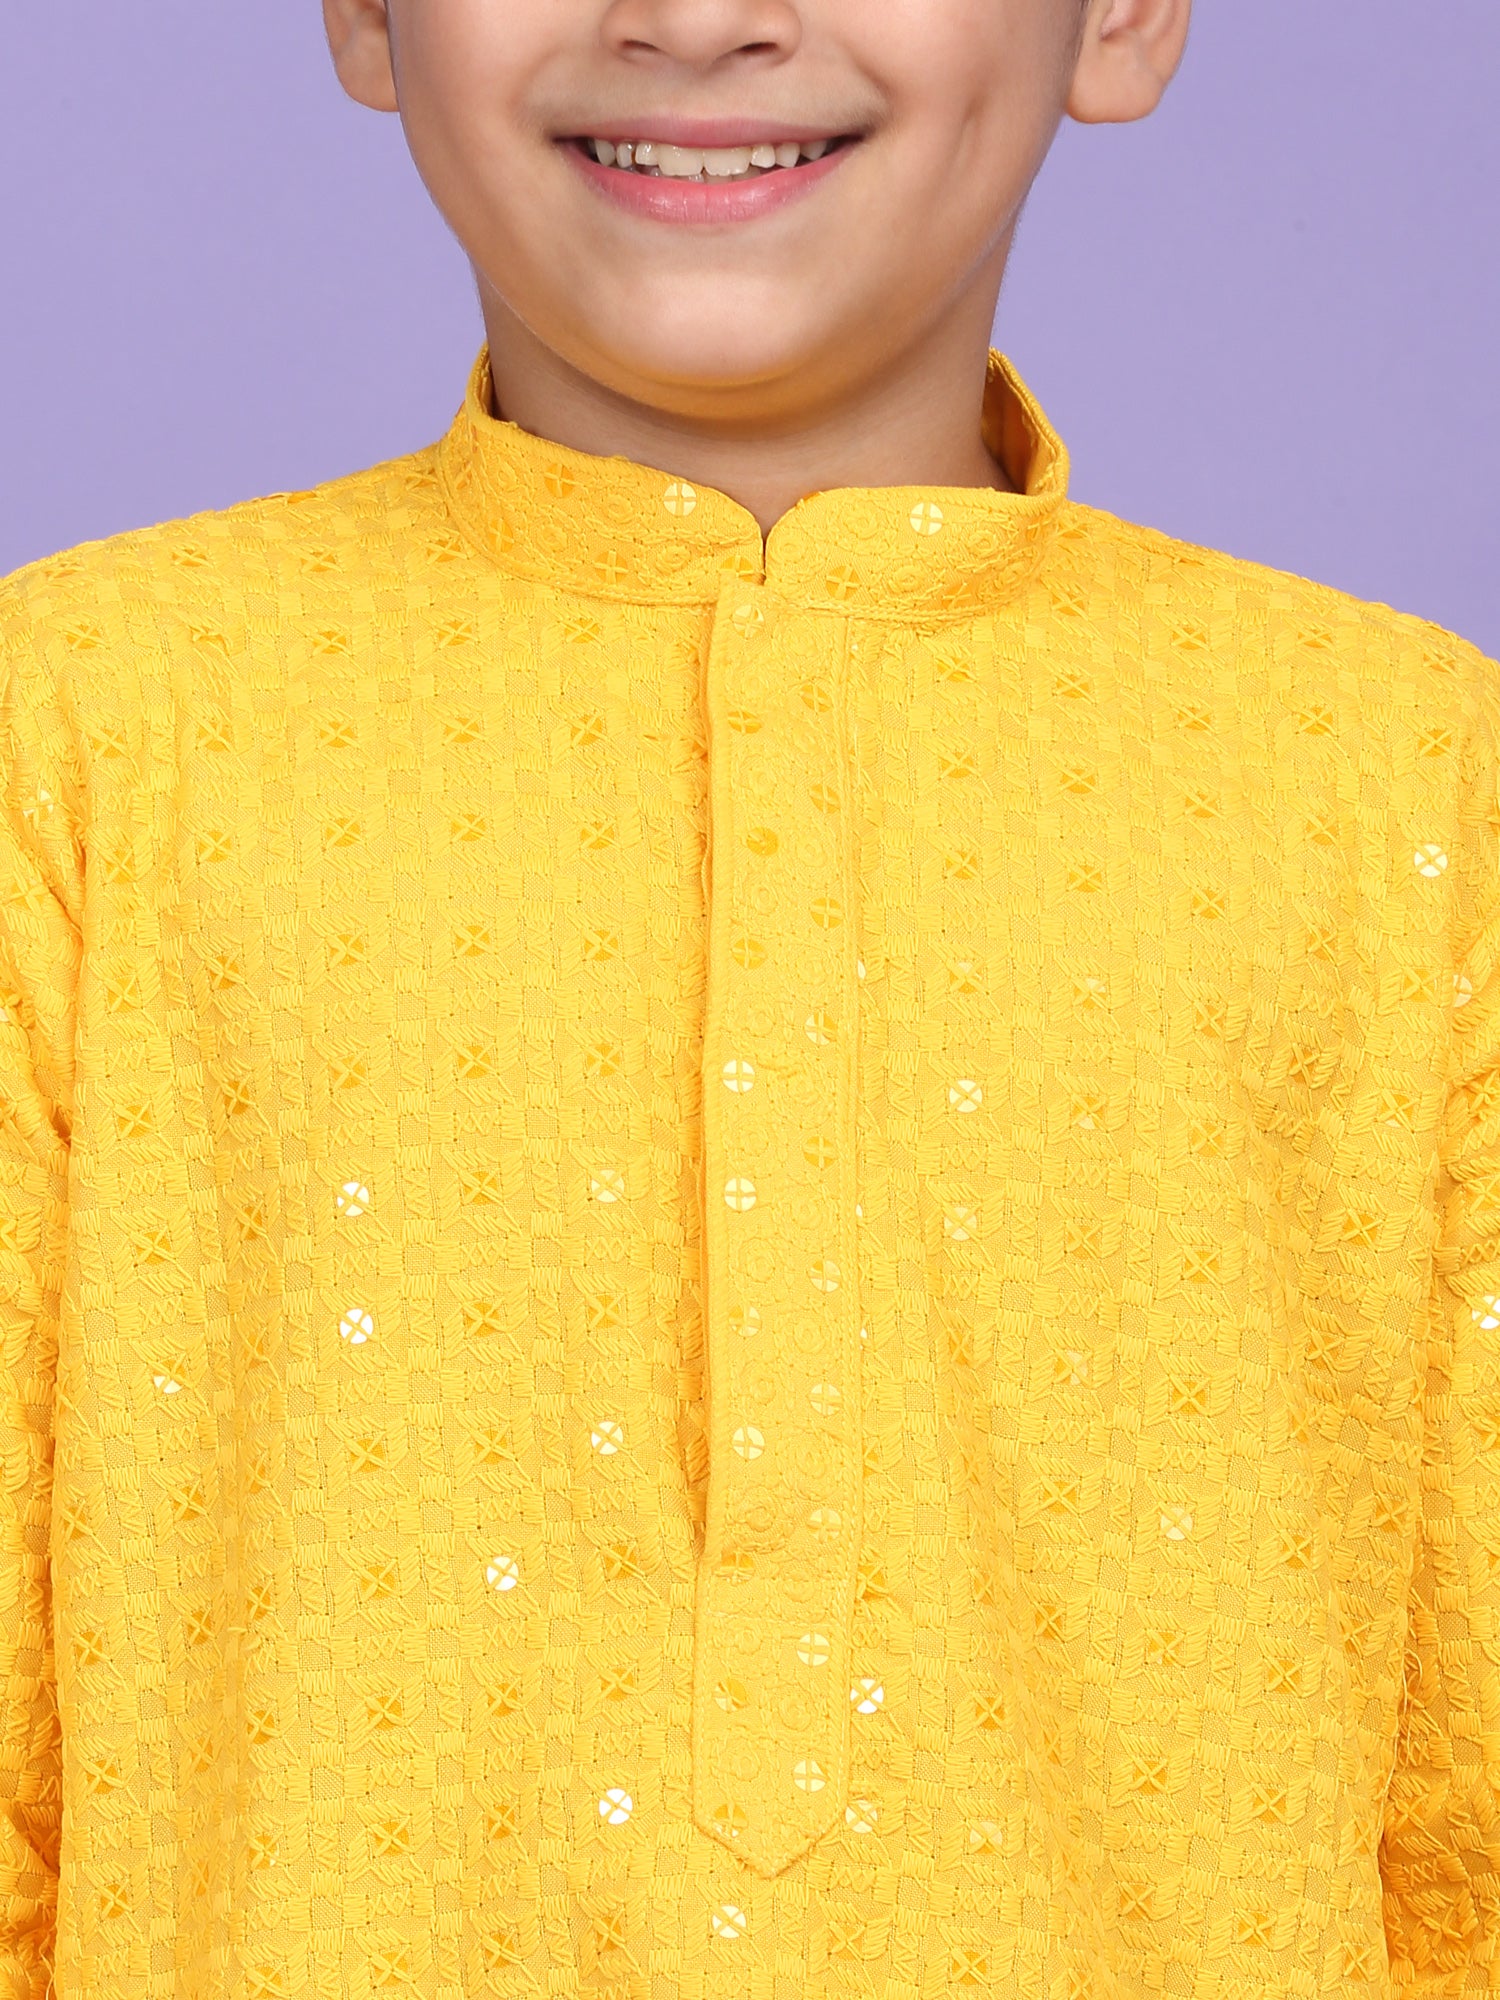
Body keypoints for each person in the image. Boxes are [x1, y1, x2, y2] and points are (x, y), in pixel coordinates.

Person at [1, 0, 1495, 1991]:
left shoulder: (1410, 786)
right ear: (363, 14)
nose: (699, 20)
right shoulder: (78, 736)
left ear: (1125, 17)